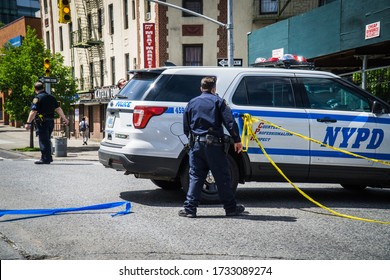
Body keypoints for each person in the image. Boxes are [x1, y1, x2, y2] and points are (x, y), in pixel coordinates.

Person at [179, 76, 245, 218]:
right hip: (214, 146)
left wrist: (192, 141)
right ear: (214, 88)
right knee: (222, 177)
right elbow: (230, 122)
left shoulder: (192, 102)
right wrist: (237, 140)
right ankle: (230, 209)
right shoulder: (218, 102)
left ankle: (190, 209)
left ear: (201, 88)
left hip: (196, 145)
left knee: (196, 177)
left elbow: (186, 126)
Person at [25, 81, 69, 164]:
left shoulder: (37, 98)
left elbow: (33, 111)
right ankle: (48, 157)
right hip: (51, 122)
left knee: (43, 140)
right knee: (47, 139)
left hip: (42, 122)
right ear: (43, 88)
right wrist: (65, 118)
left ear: (35, 89)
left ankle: (45, 158)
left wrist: (28, 123)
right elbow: (58, 109)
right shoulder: (51, 97)